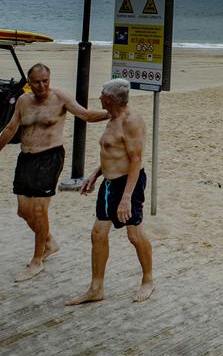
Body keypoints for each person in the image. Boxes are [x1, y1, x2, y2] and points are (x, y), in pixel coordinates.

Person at [0, 63, 108, 282]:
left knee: (39, 211)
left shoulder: (60, 98)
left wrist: (113, 112)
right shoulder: (23, 101)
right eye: (37, 82)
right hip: (26, 158)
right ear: (29, 83)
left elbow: (85, 115)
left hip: (50, 157)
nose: (42, 86)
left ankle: (37, 260)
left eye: (45, 80)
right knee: (23, 211)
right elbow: (10, 129)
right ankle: (48, 241)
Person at [66, 78, 155, 305]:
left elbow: (135, 161)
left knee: (134, 235)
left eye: (103, 94)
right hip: (108, 184)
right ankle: (96, 288)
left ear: (112, 99)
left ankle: (148, 279)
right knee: (98, 233)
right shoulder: (110, 117)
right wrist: (94, 176)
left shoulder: (131, 121)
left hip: (129, 184)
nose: (99, 97)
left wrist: (126, 198)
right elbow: (111, 153)